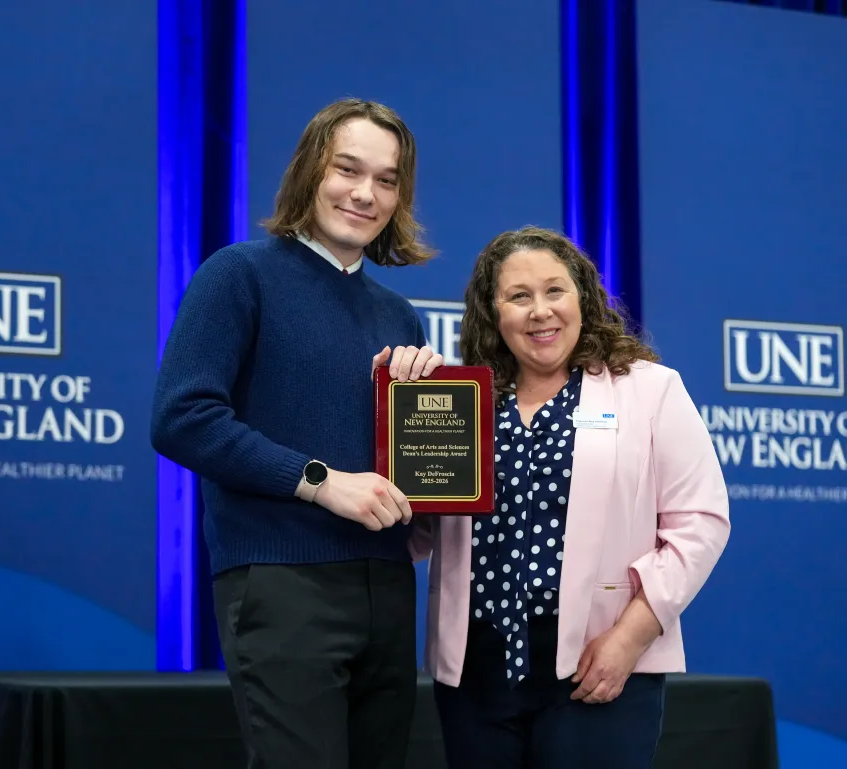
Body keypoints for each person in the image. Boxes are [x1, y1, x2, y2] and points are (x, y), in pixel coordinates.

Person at [150, 98, 444, 769]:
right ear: (312, 169)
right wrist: (318, 482)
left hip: (389, 584)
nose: (366, 193)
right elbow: (181, 417)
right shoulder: (240, 274)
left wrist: (428, 415)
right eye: (348, 169)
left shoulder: (399, 317)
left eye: (387, 179)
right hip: (282, 579)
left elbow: (409, 472)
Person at [409, 226, 730, 769]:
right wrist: (398, 423)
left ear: (582, 296)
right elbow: (420, 530)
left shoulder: (650, 390)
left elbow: (699, 523)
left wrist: (629, 639)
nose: (540, 311)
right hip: (476, 673)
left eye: (555, 290)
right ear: (493, 312)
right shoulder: (461, 399)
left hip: (598, 663)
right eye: (519, 296)